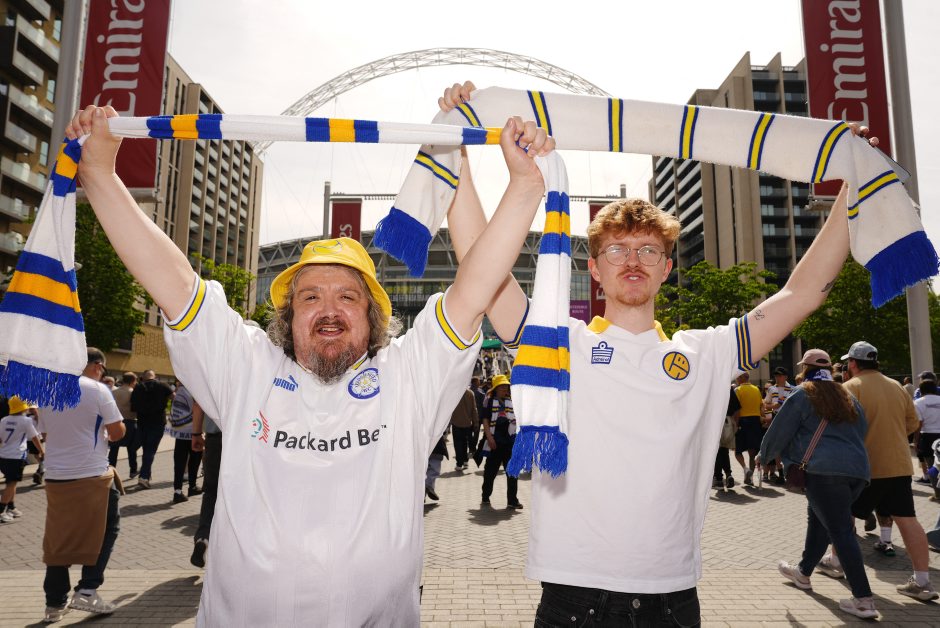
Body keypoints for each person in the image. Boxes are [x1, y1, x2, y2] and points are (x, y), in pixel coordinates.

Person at [70, 102, 553, 625]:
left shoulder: (409, 375)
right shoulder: (246, 367)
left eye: (347, 297)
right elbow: (171, 280)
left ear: (372, 317)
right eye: (310, 297)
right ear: (288, 316)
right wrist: (99, 173)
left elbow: (476, 285)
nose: (328, 309)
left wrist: (524, 187)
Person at [439, 80, 877, 626]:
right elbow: (479, 268)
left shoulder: (707, 352)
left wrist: (852, 190)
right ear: (594, 269)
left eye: (648, 249)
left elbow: (802, 293)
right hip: (574, 601)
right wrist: (455, 149)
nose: (633, 260)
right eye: (616, 249)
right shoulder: (556, 343)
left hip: (673, 602)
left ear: (666, 268)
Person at [759, 349, 878, 619]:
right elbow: (862, 430)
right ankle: (802, 573)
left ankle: (863, 600)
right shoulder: (847, 395)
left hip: (824, 471)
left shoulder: (803, 394)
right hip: (857, 471)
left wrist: (764, 456)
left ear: (805, 369)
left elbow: (781, 428)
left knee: (840, 531)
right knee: (819, 520)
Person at [841, 341, 938, 601]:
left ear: (853, 363)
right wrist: (891, 434)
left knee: (845, 516)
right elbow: (912, 422)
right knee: (908, 519)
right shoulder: (896, 386)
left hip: (868, 465)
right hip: (900, 464)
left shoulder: (851, 387)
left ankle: (836, 562)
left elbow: (842, 426)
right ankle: (923, 582)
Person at [38, 347, 125, 622]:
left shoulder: (47, 391)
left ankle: (54, 603)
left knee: (59, 537)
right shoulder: (98, 390)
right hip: (93, 474)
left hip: (56, 475)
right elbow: (117, 432)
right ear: (97, 366)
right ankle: (87, 589)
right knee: (107, 529)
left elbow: (45, 431)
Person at [480, 374, 522, 509]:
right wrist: (489, 438)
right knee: (490, 472)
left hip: (509, 442)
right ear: (496, 388)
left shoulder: (511, 401)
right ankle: (485, 496)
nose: (505, 389)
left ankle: (512, 500)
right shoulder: (489, 401)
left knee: (512, 472)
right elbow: (485, 420)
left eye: (506, 387)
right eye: (502, 387)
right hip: (495, 442)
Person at [0, 397, 44, 522]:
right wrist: (42, 451)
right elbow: (34, 437)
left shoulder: (4, 420)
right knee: (11, 484)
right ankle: (1, 511)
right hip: (16, 456)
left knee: (11, 482)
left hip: (3, 456)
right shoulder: (26, 421)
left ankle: (11, 507)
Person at [130, 370, 174, 489]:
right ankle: (144, 478)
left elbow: (133, 407)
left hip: (142, 423)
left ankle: (146, 475)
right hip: (158, 423)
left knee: (146, 450)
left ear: (143, 377)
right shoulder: (163, 385)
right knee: (150, 450)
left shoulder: (138, 387)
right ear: (155, 376)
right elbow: (174, 398)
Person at [190, 408, 221, 569]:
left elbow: (198, 404)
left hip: (215, 439)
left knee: (211, 492)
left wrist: (196, 433)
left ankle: (203, 537)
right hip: (245, 439)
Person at [167, 382, 204, 503]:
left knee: (179, 462)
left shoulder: (179, 391)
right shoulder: (195, 389)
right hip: (194, 431)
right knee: (195, 460)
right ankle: (192, 487)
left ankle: (177, 491)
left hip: (180, 433)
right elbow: (199, 407)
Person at [107, 372, 139, 479]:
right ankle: (133, 470)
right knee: (131, 449)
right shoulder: (133, 392)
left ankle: (111, 470)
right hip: (130, 421)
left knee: (114, 448)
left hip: (115, 421)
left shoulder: (114, 392)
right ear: (133, 381)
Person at [734, 372, 763, 485]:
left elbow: (737, 409)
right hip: (755, 421)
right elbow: (761, 406)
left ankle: (745, 469)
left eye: (737, 377)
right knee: (752, 451)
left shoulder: (738, 390)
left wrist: (736, 424)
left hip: (743, 421)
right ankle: (749, 478)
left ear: (741, 378)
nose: (736, 380)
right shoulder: (756, 389)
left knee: (737, 450)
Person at [713, 385, 740, 489]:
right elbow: (737, 408)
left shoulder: (710, 385)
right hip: (728, 422)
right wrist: (735, 424)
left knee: (717, 451)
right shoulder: (727, 387)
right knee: (724, 450)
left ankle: (719, 479)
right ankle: (728, 474)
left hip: (714, 422)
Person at [914, 380, 940, 485]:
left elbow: (919, 424)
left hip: (927, 436)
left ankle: (937, 491)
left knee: (931, 465)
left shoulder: (918, 402)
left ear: (921, 390)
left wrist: (916, 440)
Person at [450, 386, 479, 471]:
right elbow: (474, 409)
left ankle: (459, 463)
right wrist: (476, 422)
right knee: (465, 443)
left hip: (456, 422)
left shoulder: (453, 393)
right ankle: (465, 461)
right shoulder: (470, 393)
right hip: (467, 423)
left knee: (458, 444)